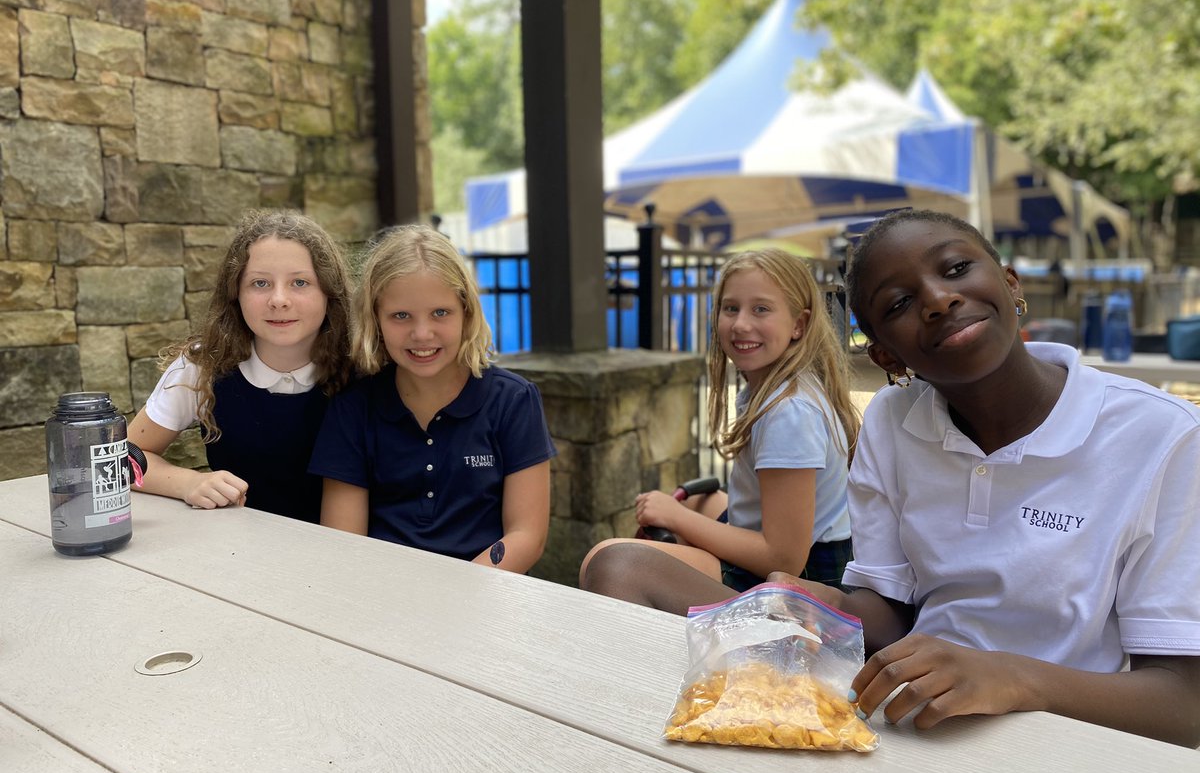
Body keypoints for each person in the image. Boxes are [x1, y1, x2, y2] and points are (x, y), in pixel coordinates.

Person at [769, 208, 1200, 747]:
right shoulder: (892, 418)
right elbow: (891, 613)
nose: (938, 300)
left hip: (1072, 747)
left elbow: (1184, 707)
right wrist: (825, 607)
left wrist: (1013, 678)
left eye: (954, 269)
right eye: (899, 303)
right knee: (630, 564)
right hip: (913, 728)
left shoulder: (1163, 436)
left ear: (1010, 282)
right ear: (886, 355)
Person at [579, 248, 860, 614]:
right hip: (796, 559)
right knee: (700, 500)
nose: (741, 324)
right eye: (731, 308)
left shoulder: (789, 412)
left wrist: (676, 518)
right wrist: (684, 515)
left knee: (607, 562)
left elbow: (784, 558)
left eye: (761, 309)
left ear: (799, 324)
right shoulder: (773, 388)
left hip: (803, 587)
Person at [309, 224, 555, 573]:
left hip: (487, 592)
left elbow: (527, 535)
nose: (422, 333)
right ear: (375, 320)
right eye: (400, 316)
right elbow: (344, 543)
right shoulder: (353, 408)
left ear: (466, 312)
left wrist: (459, 594)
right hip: (383, 595)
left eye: (440, 312)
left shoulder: (514, 401)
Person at [128, 209, 353, 523]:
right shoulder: (203, 365)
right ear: (235, 293)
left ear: (330, 291)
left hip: (344, 551)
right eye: (260, 283)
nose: (278, 300)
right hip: (239, 549)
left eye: (300, 282)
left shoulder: (361, 366)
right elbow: (122, 459)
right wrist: (188, 482)